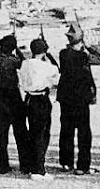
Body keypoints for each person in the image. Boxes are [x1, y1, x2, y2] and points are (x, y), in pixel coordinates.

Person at [57, 23, 100, 175]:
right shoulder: (84, 56)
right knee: (84, 132)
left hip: (66, 97)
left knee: (66, 130)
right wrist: (89, 47)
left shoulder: (63, 54)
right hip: (81, 98)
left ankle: (66, 162)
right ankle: (82, 165)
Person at [18, 39, 60, 180]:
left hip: (29, 99)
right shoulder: (45, 66)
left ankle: (31, 165)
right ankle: (38, 169)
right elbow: (56, 71)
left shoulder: (25, 63)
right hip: (41, 99)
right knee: (42, 135)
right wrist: (49, 56)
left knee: (33, 133)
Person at [0, 35, 31, 174]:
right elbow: (24, 64)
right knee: (20, 132)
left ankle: (3, 164)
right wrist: (17, 49)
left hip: (0, 96)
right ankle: (25, 164)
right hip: (13, 95)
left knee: (2, 132)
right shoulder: (12, 60)